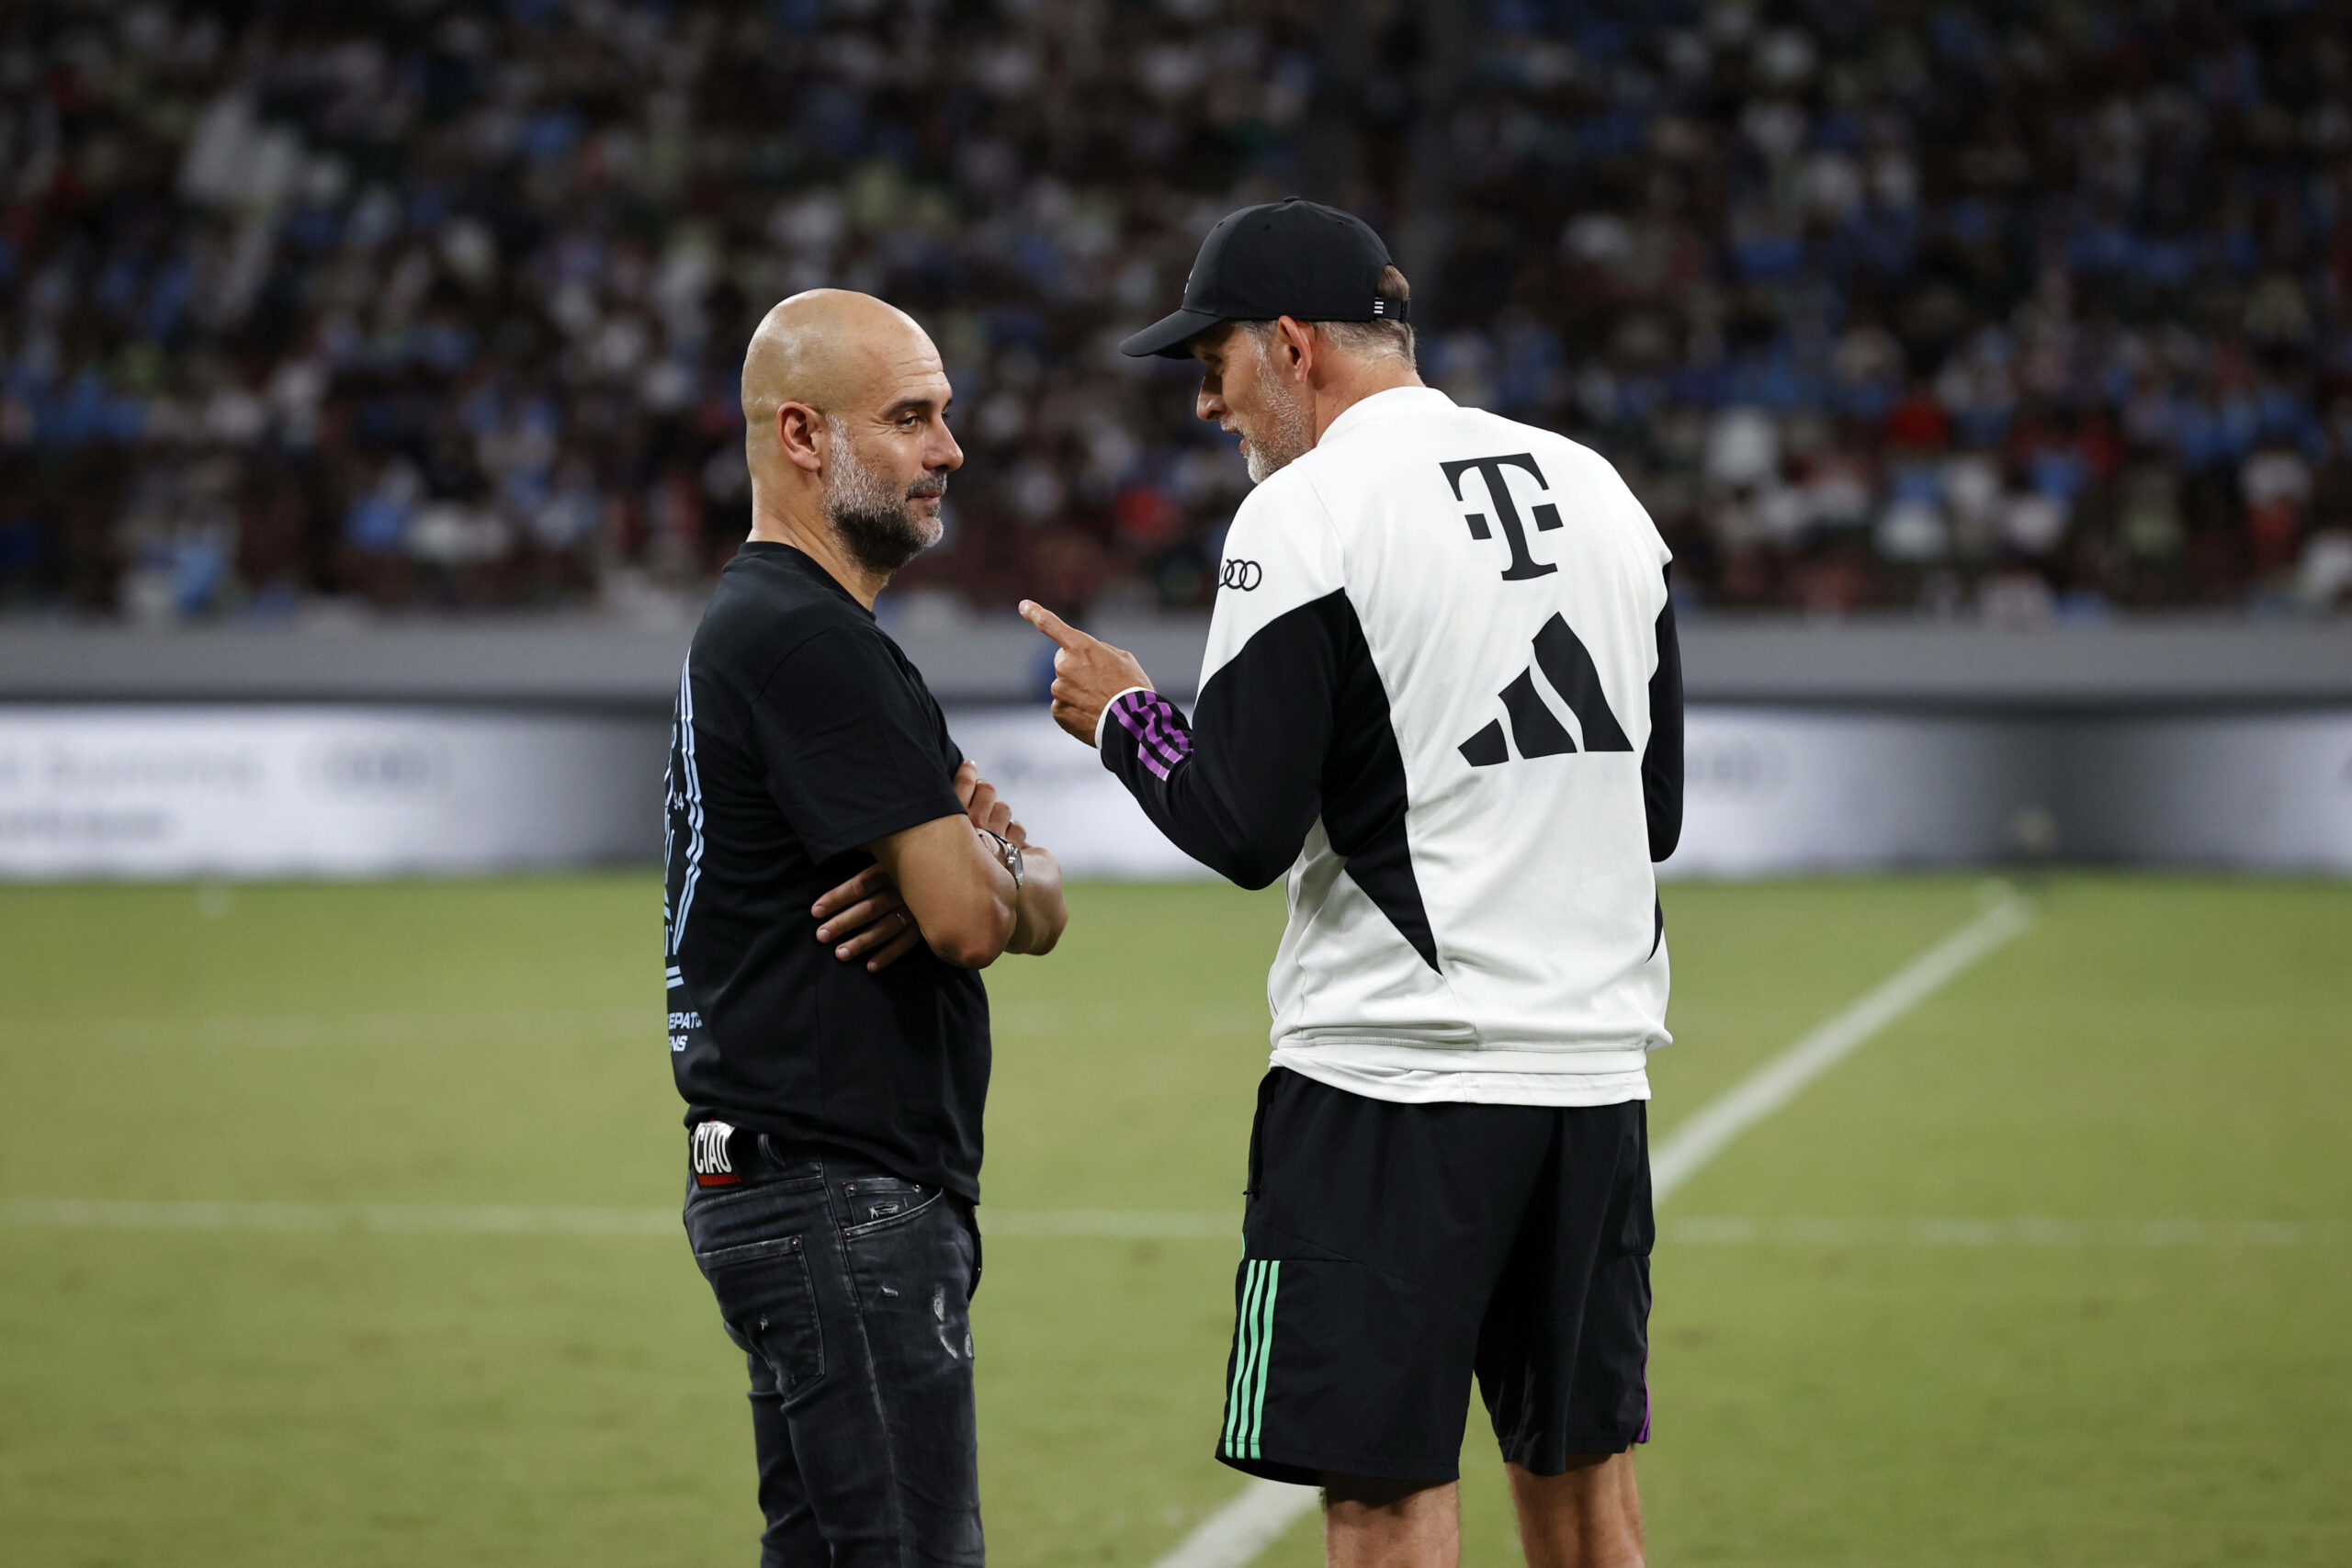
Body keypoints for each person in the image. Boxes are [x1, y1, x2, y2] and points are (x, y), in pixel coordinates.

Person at [1020, 199, 1681, 1568]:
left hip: (1392, 1081)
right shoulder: (1601, 490)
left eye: (1214, 367)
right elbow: (1653, 809)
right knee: (1584, 1500)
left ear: (1292, 345)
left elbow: (1243, 828)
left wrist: (1128, 719)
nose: (1210, 405)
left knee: (1382, 1508)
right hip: (1593, 1084)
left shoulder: (1303, 512)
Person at [667, 288, 1069, 1567]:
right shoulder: (806, 641)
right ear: (800, 435)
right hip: (837, 1194)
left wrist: (995, 860)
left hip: (793, 1188)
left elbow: (1031, 903)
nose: (948, 448)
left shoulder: (793, 629)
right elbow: (970, 918)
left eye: (942, 416)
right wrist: (989, 861)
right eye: (910, 417)